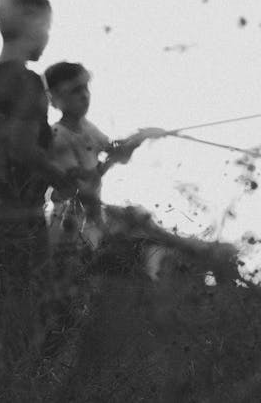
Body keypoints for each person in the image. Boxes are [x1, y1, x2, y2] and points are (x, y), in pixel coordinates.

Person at [0, 0, 74, 372]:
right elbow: (24, 148)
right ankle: (16, 381)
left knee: (6, 289)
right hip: (16, 205)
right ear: (31, 25)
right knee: (27, 295)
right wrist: (60, 177)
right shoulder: (29, 83)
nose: (47, 35)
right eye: (46, 26)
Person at [40, 61, 161, 357]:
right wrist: (114, 157)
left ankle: (50, 365)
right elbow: (82, 185)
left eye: (85, 88)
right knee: (68, 306)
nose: (84, 95)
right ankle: (42, 366)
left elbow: (115, 154)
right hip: (68, 227)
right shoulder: (59, 137)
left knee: (79, 304)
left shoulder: (88, 129)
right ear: (55, 99)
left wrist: (138, 139)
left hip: (89, 226)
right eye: (74, 91)